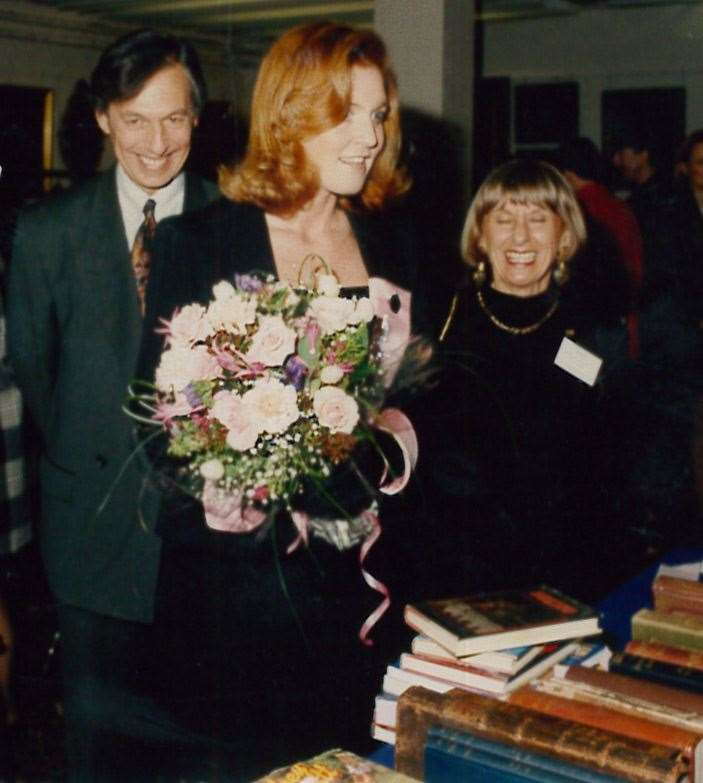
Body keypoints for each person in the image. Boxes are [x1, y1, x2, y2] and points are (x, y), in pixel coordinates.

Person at [138, 21, 420, 780]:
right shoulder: (201, 240)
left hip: (355, 590)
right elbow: (153, 421)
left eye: (378, 113)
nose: (368, 136)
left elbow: (424, 399)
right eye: (347, 112)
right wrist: (239, 479)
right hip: (236, 597)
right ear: (291, 111)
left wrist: (384, 451)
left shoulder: (391, 242)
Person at [6, 29, 218, 781]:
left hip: (210, 543)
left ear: (198, 118)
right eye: (134, 118)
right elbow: (35, 378)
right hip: (89, 532)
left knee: (201, 747)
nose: (155, 143)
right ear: (102, 118)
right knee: (97, 755)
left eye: (173, 119)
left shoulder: (237, 224)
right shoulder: (47, 233)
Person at [427, 159, 642, 603]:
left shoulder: (593, 331)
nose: (520, 237)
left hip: (564, 572)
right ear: (480, 236)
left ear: (564, 237)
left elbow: (613, 469)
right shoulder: (441, 324)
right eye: (503, 220)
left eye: (538, 220)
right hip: (459, 571)